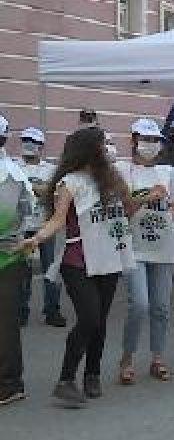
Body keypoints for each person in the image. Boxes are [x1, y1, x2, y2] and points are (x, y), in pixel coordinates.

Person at [19, 127, 138, 408]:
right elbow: (58, 220)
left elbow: (130, 210)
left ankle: (92, 374)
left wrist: (122, 187)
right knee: (89, 317)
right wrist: (35, 239)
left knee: (100, 320)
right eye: (103, 144)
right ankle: (65, 380)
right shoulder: (69, 182)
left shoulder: (111, 179)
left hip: (110, 257)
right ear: (88, 149)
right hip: (77, 261)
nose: (108, 148)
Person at [114, 119, 174, 384]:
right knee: (140, 304)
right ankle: (127, 357)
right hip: (134, 247)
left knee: (161, 307)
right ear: (133, 140)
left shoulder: (168, 172)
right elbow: (122, 209)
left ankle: (158, 357)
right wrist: (148, 197)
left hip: (164, 246)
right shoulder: (121, 170)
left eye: (155, 140)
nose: (150, 145)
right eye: (145, 139)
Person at [16, 127, 66, 328]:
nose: (29, 144)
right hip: (21, 225)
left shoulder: (50, 169)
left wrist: (31, 187)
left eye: (33, 141)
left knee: (50, 269)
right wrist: (40, 189)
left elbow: (56, 192)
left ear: (41, 146)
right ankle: (21, 311)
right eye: (26, 140)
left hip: (45, 225)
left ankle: (52, 310)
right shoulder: (13, 166)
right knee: (22, 271)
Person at [0, 114, 33, 406]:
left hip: (7, 257)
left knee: (6, 324)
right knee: (6, 322)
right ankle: (11, 381)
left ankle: (10, 383)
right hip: (12, 254)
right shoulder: (16, 172)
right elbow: (26, 213)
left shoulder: (10, 175)